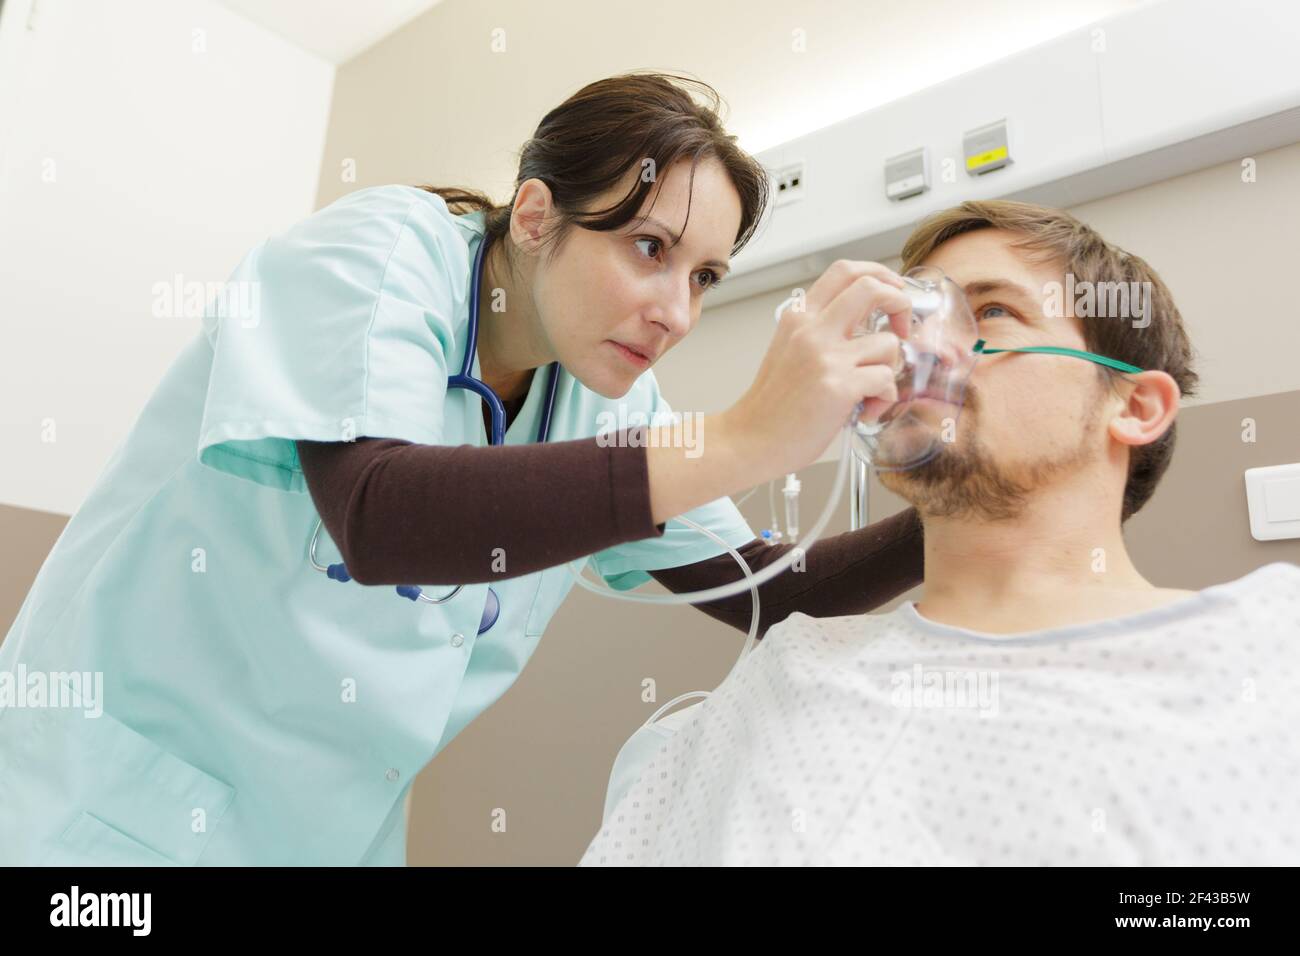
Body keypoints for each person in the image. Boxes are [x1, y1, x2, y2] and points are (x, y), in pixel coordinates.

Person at [0, 72, 927, 865]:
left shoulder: (609, 401)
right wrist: (747, 434)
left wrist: (973, 508)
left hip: (318, 835)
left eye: (704, 278)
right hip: (109, 808)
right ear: (534, 215)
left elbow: (766, 593)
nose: (677, 312)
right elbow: (382, 517)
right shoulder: (377, 254)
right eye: (651, 248)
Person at [582, 199, 1300, 866]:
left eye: (990, 313)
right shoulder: (787, 677)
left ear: (1136, 405)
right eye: (915, 323)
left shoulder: (1266, 652)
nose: (928, 352)